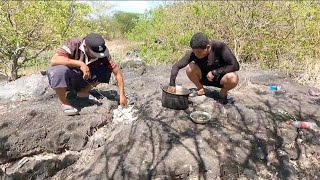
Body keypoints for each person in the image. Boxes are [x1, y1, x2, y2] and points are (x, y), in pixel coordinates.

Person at [47, 33, 128, 115]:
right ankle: (63, 102)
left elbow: (118, 73)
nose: (98, 56)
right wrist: (80, 64)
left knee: (106, 69)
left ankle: (83, 92)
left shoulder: (102, 54)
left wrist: (122, 95)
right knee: (59, 70)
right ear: (85, 47)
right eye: (94, 53)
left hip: (84, 78)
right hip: (69, 78)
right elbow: (54, 60)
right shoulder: (74, 43)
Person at [168, 32, 240, 104]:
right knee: (190, 68)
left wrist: (215, 72)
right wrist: (172, 84)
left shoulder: (219, 47)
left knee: (233, 78)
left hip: (220, 79)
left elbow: (235, 65)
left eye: (199, 52)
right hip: (204, 78)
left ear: (208, 47)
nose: (196, 54)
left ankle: (223, 93)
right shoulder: (193, 53)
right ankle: (200, 89)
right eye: (194, 51)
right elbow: (176, 66)